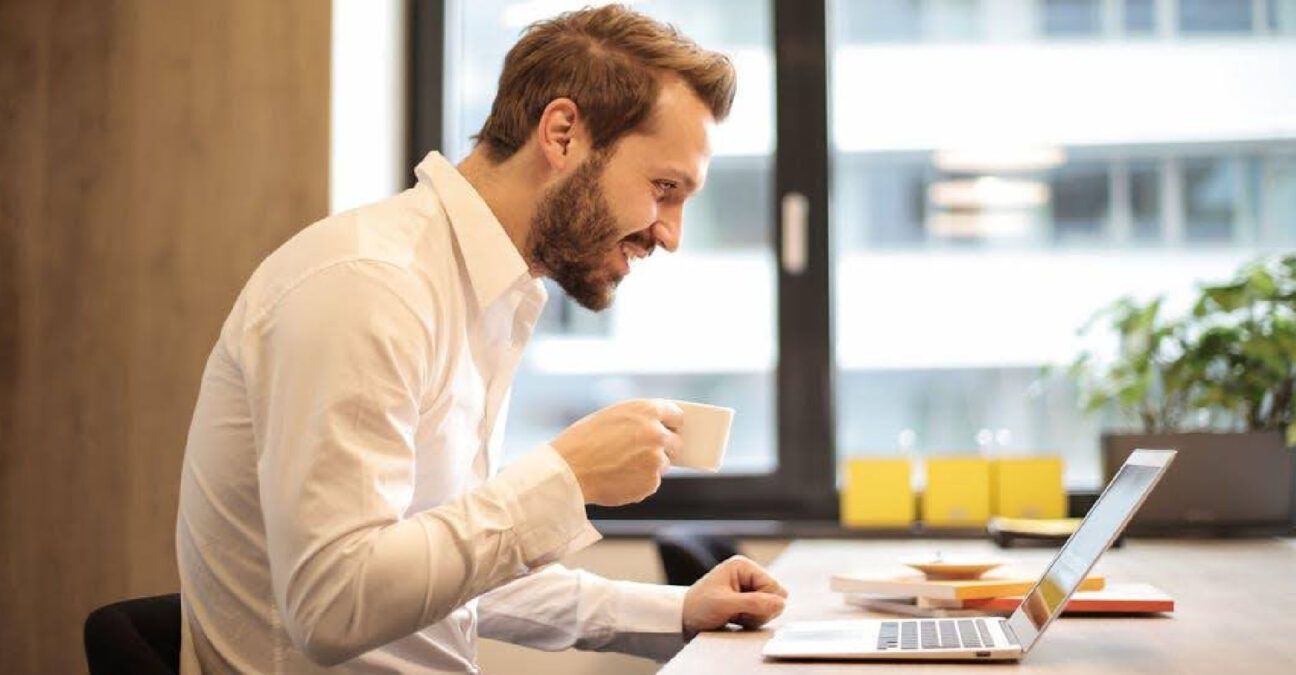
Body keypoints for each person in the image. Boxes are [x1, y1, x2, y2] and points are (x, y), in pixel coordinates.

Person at [175, 4, 787, 673]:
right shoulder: (369, 286)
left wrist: (671, 612)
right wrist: (565, 477)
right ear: (561, 135)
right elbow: (334, 604)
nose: (671, 233)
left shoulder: (486, 294)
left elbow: (439, 575)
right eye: (663, 188)